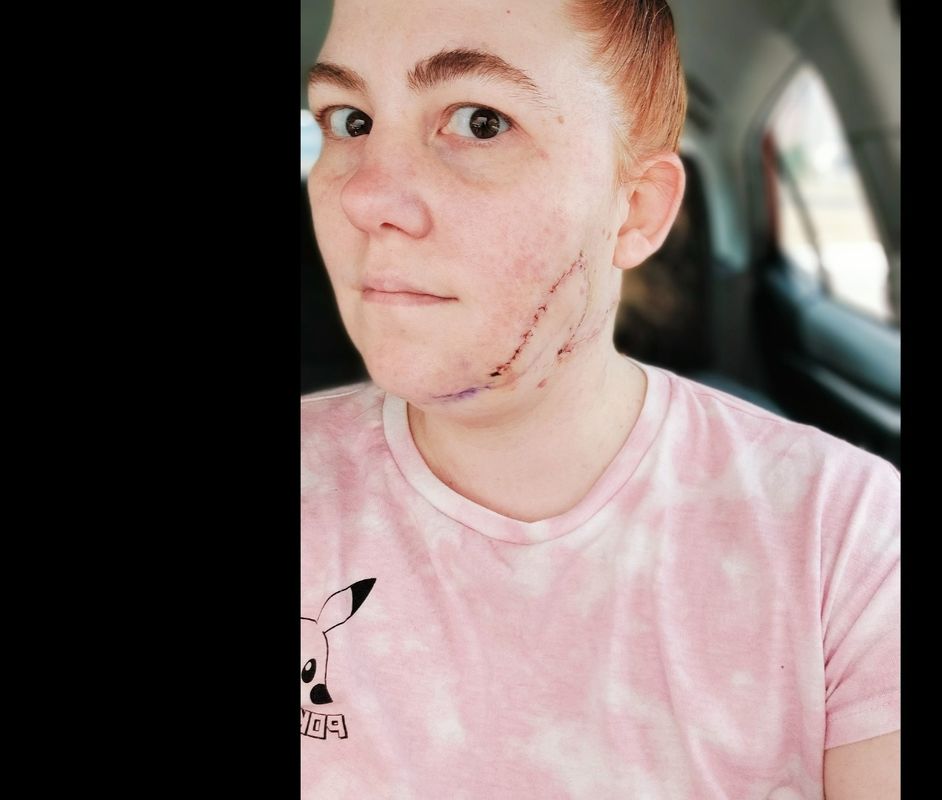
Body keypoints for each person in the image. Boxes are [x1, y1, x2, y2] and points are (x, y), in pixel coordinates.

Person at [300, 1, 900, 796]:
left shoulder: (844, 536)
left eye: (481, 122)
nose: (364, 196)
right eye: (349, 120)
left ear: (636, 210)